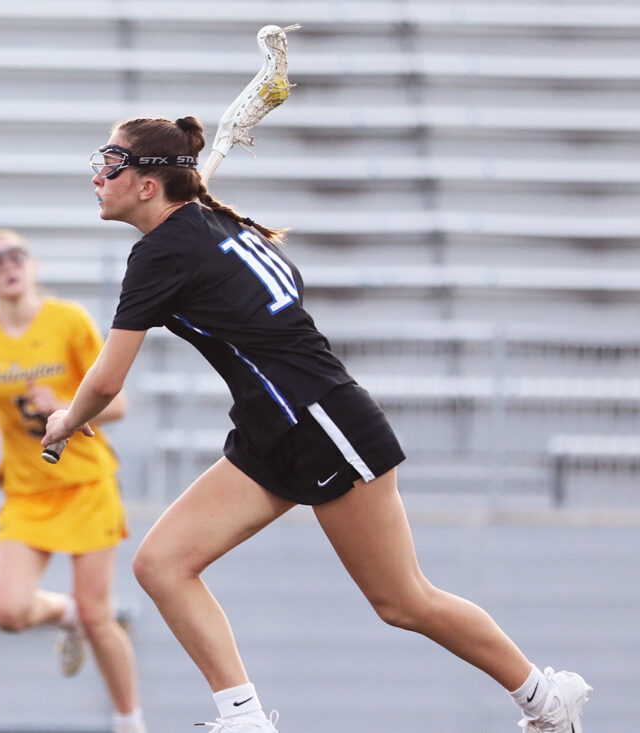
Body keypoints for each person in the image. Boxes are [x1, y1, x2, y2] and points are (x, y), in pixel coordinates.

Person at [40, 116, 591, 733]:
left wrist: (66, 419)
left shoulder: (165, 250)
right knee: (161, 564)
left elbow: (108, 380)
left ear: (147, 185)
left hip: (321, 420)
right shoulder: (210, 228)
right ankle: (243, 719)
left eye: (111, 163)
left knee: (402, 600)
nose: (96, 176)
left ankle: (546, 698)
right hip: (270, 427)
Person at [0, 229, 145, 733]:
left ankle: (129, 722)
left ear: (32, 264)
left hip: (85, 483)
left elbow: (119, 404)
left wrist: (67, 404)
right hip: (25, 491)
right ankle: (65, 612)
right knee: (8, 611)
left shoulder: (69, 321)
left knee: (99, 617)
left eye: (14, 256)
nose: (7, 266)